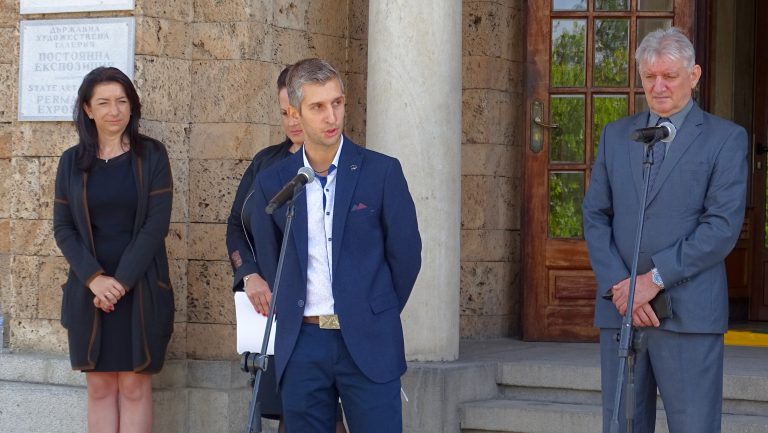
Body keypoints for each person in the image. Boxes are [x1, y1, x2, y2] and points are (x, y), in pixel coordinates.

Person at [583, 27, 748, 433]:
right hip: (623, 310)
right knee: (622, 425)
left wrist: (653, 280)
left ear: (694, 75)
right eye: (649, 76)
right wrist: (623, 287)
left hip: (689, 314)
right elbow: (595, 215)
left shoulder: (726, 139)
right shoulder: (615, 135)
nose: (658, 87)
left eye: (669, 76)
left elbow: (721, 226)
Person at [249, 58, 422, 433]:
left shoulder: (382, 172)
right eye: (318, 107)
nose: (331, 116)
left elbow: (406, 256)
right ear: (295, 113)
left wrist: (374, 311)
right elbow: (271, 257)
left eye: (337, 103)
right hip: (303, 342)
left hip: (369, 339)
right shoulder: (274, 182)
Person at [53, 66, 175, 433]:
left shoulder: (152, 155)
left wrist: (118, 284)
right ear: (87, 109)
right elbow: (63, 228)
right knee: (100, 386)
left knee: (135, 386)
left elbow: (156, 225)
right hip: (89, 289)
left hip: (140, 286)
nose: (114, 110)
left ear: (132, 106)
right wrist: (95, 279)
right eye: (103, 102)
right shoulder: (71, 162)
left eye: (122, 101)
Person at [226, 65, 347, 433]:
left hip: (324, 318)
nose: (293, 121)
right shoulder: (265, 163)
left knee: (330, 416)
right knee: (287, 412)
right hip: (273, 308)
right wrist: (249, 274)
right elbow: (236, 225)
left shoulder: (344, 162)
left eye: (298, 111)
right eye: (285, 113)